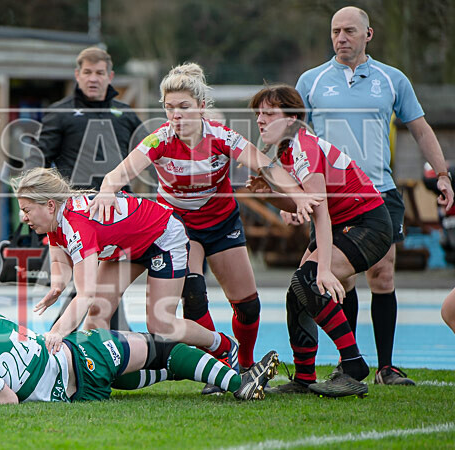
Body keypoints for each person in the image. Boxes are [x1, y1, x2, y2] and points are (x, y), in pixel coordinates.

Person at [88, 63, 318, 394]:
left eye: (184, 107)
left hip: (221, 224)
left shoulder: (222, 137)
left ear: (201, 106)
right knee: (193, 295)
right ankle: (219, 366)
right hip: (178, 227)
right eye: (169, 108)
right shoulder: (159, 139)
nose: (176, 115)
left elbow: (266, 166)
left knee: (248, 305)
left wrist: (299, 195)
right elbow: (118, 173)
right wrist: (107, 190)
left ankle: (244, 363)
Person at [295, 6, 454, 386]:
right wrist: (293, 192)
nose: (341, 38)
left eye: (349, 30)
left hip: (380, 193)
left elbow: (420, 129)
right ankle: (347, 363)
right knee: (338, 279)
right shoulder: (311, 81)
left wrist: (443, 175)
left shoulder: (392, 79)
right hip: (331, 199)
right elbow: (290, 137)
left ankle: (386, 367)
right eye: (335, 31)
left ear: (368, 34)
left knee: (382, 275)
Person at [12, 167, 242, 371]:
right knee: (97, 312)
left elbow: (84, 294)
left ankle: (223, 344)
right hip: (127, 245)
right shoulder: (55, 220)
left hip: (163, 238)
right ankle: (99, 373)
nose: (23, 217)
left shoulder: (76, 225)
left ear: (50, 205)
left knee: (161, 325)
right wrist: (57, 286)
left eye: (27, 210)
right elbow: (60, 262)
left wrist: (56, 332)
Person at [247, 84, 392, 397]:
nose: (260, 119)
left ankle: (353, 364)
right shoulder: (289, 150)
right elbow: (305, 204)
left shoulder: (304, 147)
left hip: (367, 223)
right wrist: (269, 195)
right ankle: (304, 378)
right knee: (297, 293)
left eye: (269, 113)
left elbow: (321, 213)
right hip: (346, 224)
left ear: (292, 118)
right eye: (258, 113)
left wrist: (324, 269)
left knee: (309, 280)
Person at [0, 283, 279, 404]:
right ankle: (239, 382)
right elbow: (6, 396)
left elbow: (4, 396)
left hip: (78, 393)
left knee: (157, 367)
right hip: (82, 354)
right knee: (165, 348)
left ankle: (224, 378)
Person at [35, 46, 146, 331]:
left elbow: (148, 157)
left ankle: (91, 341)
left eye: (99, 72)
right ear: (77, 74)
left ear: (110, 76)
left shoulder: (125, 114)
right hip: (76, 216)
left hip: (118, 215)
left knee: (102, 288)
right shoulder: (59, 113)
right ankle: (67, 341)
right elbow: (37, 163)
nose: (93, 78)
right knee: (91, 287)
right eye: (87, 72)